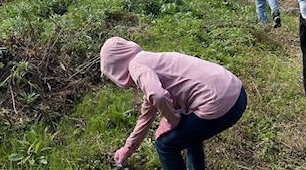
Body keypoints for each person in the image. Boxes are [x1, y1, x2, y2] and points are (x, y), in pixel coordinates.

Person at [100, 37, 246, 169]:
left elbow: (158, 96)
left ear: (115, 68)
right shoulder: (149, 61)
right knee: (188, 131)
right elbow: (146, 114)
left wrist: (172, 120)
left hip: (221, 102)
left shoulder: (136, 67)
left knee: (165, 144)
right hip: (236, 91)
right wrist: (128, 147)